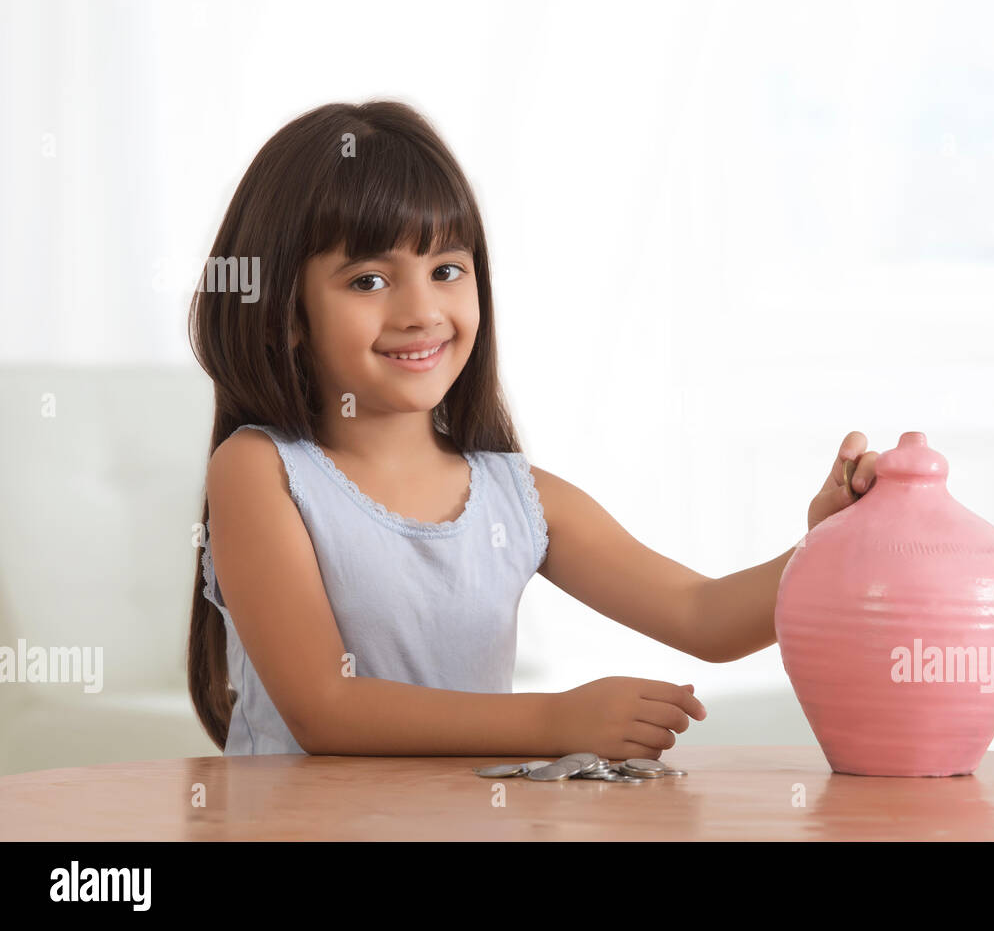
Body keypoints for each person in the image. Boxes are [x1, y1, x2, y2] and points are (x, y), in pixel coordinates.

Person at [187, 100, 879, 758]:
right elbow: (322, 708)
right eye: (369, 281)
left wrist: (827, 545)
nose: (422, 310)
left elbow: (704, 617)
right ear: (287, 312)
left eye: (447, 269)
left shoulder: (517, 498)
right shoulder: (262, 470)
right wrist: (554, 719)